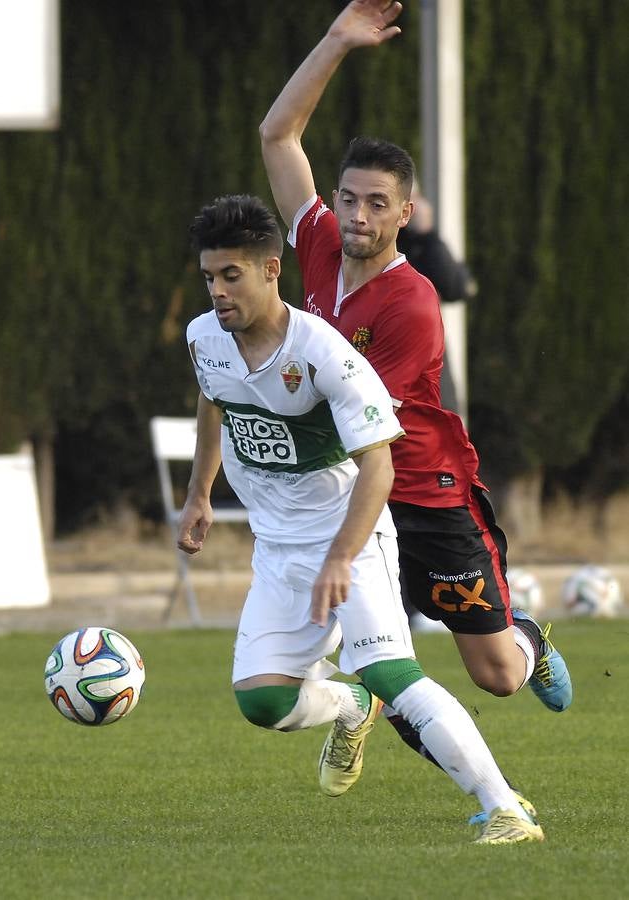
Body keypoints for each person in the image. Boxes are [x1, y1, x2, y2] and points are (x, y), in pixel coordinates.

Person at [259, 0, 572, 824]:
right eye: (349, 199)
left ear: (406, 214)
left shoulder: (413, 304)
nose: (357, 217)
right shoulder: (320, 242)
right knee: (385, 666)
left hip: (422, 489)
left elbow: (369, 425)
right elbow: (277, 138)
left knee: (494, 674)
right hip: (351, 485)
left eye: (376, 205)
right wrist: (334, 41)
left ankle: (531, 641)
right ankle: (385, 726)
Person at [177, 193, 544, 844]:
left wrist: (343, 556)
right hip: (277, 551)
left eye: (231, 275)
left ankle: (504, 808)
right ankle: (352, 705)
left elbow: (378, 466)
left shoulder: (324, 354)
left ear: (271, 270)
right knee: (263, 701)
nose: (218, 292)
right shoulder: (206, 336)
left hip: (351, 540)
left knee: (393, 672)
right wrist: (200, 492)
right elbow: (213, 398)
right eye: (209, 277)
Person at [397, 190, 477, 415]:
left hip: (430, 372)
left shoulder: (420, 245)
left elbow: (458, 287)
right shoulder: (366, 245)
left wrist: (427, 235)